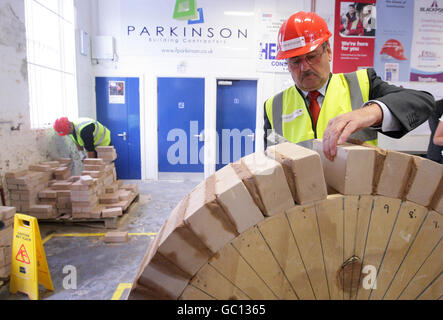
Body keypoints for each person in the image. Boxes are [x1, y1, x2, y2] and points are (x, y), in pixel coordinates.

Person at [264, 11, 435, 161]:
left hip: (355, 197)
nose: (305, 67)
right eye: (295, 61)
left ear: (328, 51)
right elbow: (273, 161)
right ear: (286, 64)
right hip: (300, 197)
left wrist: (371, 112)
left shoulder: (363, 83)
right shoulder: (273, 106)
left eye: (312, 56)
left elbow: (423, 101)